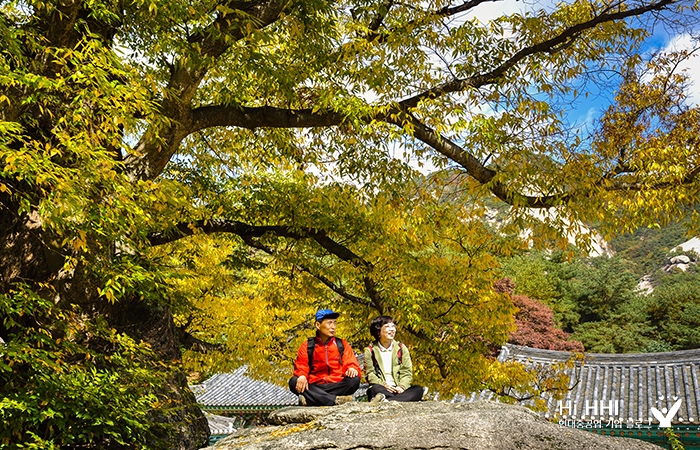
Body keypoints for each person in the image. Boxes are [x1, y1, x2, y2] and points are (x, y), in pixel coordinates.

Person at [288, 308, 362, 406]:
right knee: (293, 382)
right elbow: (301, 366)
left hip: (337, 384)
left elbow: (351, 362)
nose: (333, 327)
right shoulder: (307, 345)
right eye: (329, 323)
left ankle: (313, 398)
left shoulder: (342, 344)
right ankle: (335, 400)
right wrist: (302, 375)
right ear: (318, 325)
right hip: (315, 385)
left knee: (355, 380)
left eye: (334, 323)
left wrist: (352, 368)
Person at [363, 315, 423, 402]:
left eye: (393, 326)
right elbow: (370, 374)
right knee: (374, 389)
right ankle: (396, 400)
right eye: (387, 326)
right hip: (382, 388)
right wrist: (384, 385)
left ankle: (387, 401)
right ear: (378, 331)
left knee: (418, 389)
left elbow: (406, 371)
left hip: (399, 390)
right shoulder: (371, 350)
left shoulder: (401, 348)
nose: (392, 329)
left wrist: (402, 386)